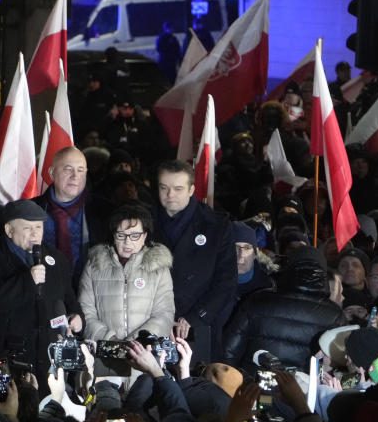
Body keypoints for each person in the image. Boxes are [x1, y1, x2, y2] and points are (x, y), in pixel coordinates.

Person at [0, 199, 82, 376]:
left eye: (39, 227)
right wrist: (27, 281)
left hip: (48, 359)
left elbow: (68, 297)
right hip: (4, 358)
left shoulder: (55, 259)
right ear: (9, 230)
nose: (35, 234)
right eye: (27, 228)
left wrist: (77, 316)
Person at [151, 159, 237, 360]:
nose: (170, 195)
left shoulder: (217, 226)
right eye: (164, 188)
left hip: (196, 325)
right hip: (152, 321)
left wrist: (196, 317)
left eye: (178, 189)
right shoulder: (144, 221)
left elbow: (226, 281)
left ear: (191, 190)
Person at [220, 246, 343, 370]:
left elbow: (228, 352)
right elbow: (340, 366)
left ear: (289, 267)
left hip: (252, 386)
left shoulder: (257, 300)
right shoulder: (335, 315)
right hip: (301, 388)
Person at [78, 204, 174, 341]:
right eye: (121, 235)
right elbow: (85, 312)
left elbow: (164, 314)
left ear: (144, 235)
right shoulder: (94, 265)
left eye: (135, 235)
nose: (127, 242)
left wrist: (135, 344)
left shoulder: (159, 268)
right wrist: (110, 341)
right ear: (114, 235)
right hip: (103, 352)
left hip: (145, 352)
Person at [33, 147, 107, 282]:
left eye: (80, 170)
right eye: (68, 169)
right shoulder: (31, 210)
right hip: (43, 293)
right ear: (52, 173)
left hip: (89, 293)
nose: (75, 176)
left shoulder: (104, 210)